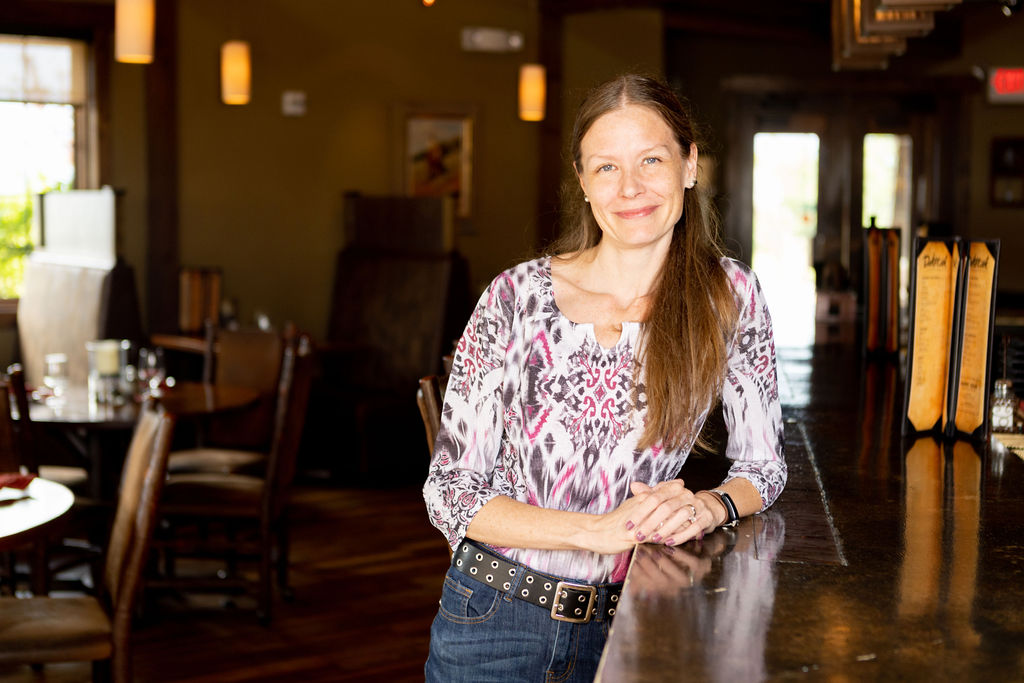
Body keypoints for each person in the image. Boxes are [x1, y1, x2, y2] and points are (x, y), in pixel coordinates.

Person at [422, 73, 786, 682]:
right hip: (494, 621)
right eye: (606, 168)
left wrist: (710, 507)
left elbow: (764, 467)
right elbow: (450, 493)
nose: (631, 188)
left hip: (640, 620)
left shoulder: (730, 296)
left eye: (651, 159)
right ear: (584, 183)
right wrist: (595, 531)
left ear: (690, 166)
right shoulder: (515, 296)